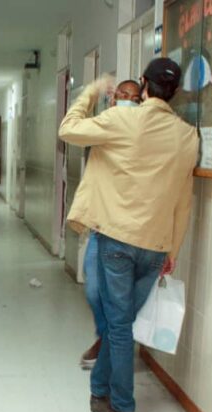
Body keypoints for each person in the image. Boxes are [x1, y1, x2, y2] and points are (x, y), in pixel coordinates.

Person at [59, 58, 199, 412]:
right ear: (175, 92)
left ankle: (122, 405)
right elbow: (185, 199)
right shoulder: (188, 136)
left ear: (144, 84)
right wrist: (174, 249)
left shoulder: (124, 119)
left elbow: (68, 129)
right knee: (123, 323)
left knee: (119, 326)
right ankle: (99, 387)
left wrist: (90, 90)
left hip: (118, 240)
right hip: (155, 246)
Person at [80, 79, 143, 369]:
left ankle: (110, 345)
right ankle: (106, 337)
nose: (129, 99)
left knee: (119, 297)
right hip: (102, 224)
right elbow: (74, 131)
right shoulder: (107, 125)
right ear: (114, 98)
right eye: (123, 94)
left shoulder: (146, 130)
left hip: (133, 226)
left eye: (135, 96)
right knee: (94, 288)